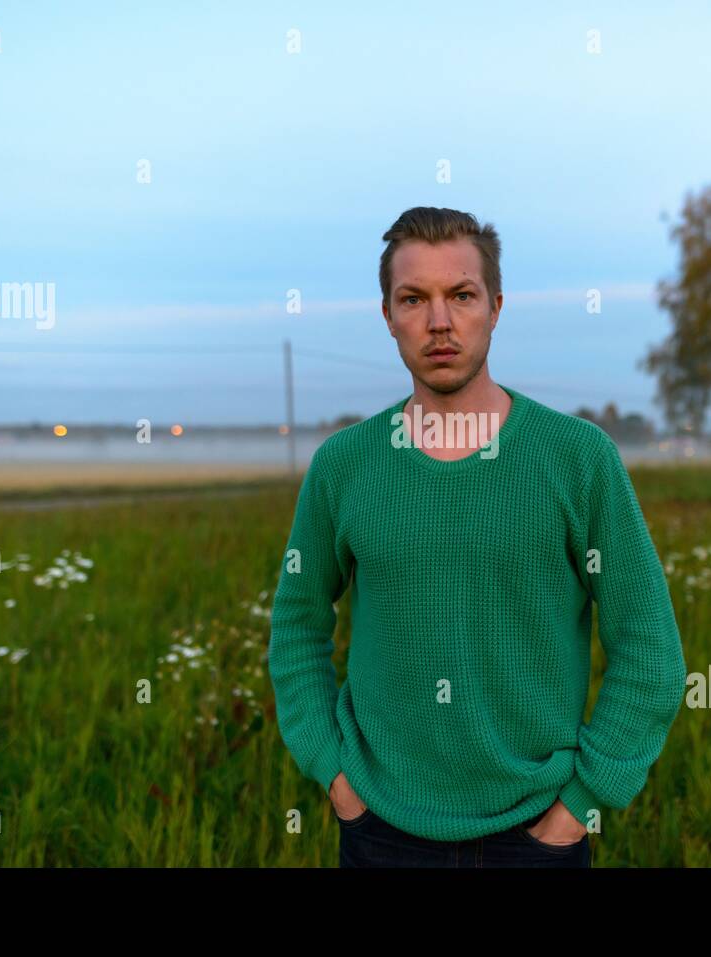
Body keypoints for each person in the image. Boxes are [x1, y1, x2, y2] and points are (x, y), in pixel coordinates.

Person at [267, 206, 686, 867]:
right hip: (381, 830)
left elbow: (652, 653)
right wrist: (338, 778)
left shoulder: (578, 459)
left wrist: (579, 807)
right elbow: (296, 625)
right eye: (414, 298)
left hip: (535, 835)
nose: (440, 321)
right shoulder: (343, 465)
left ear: (495, 305)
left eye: (461, 295)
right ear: (387, 314)